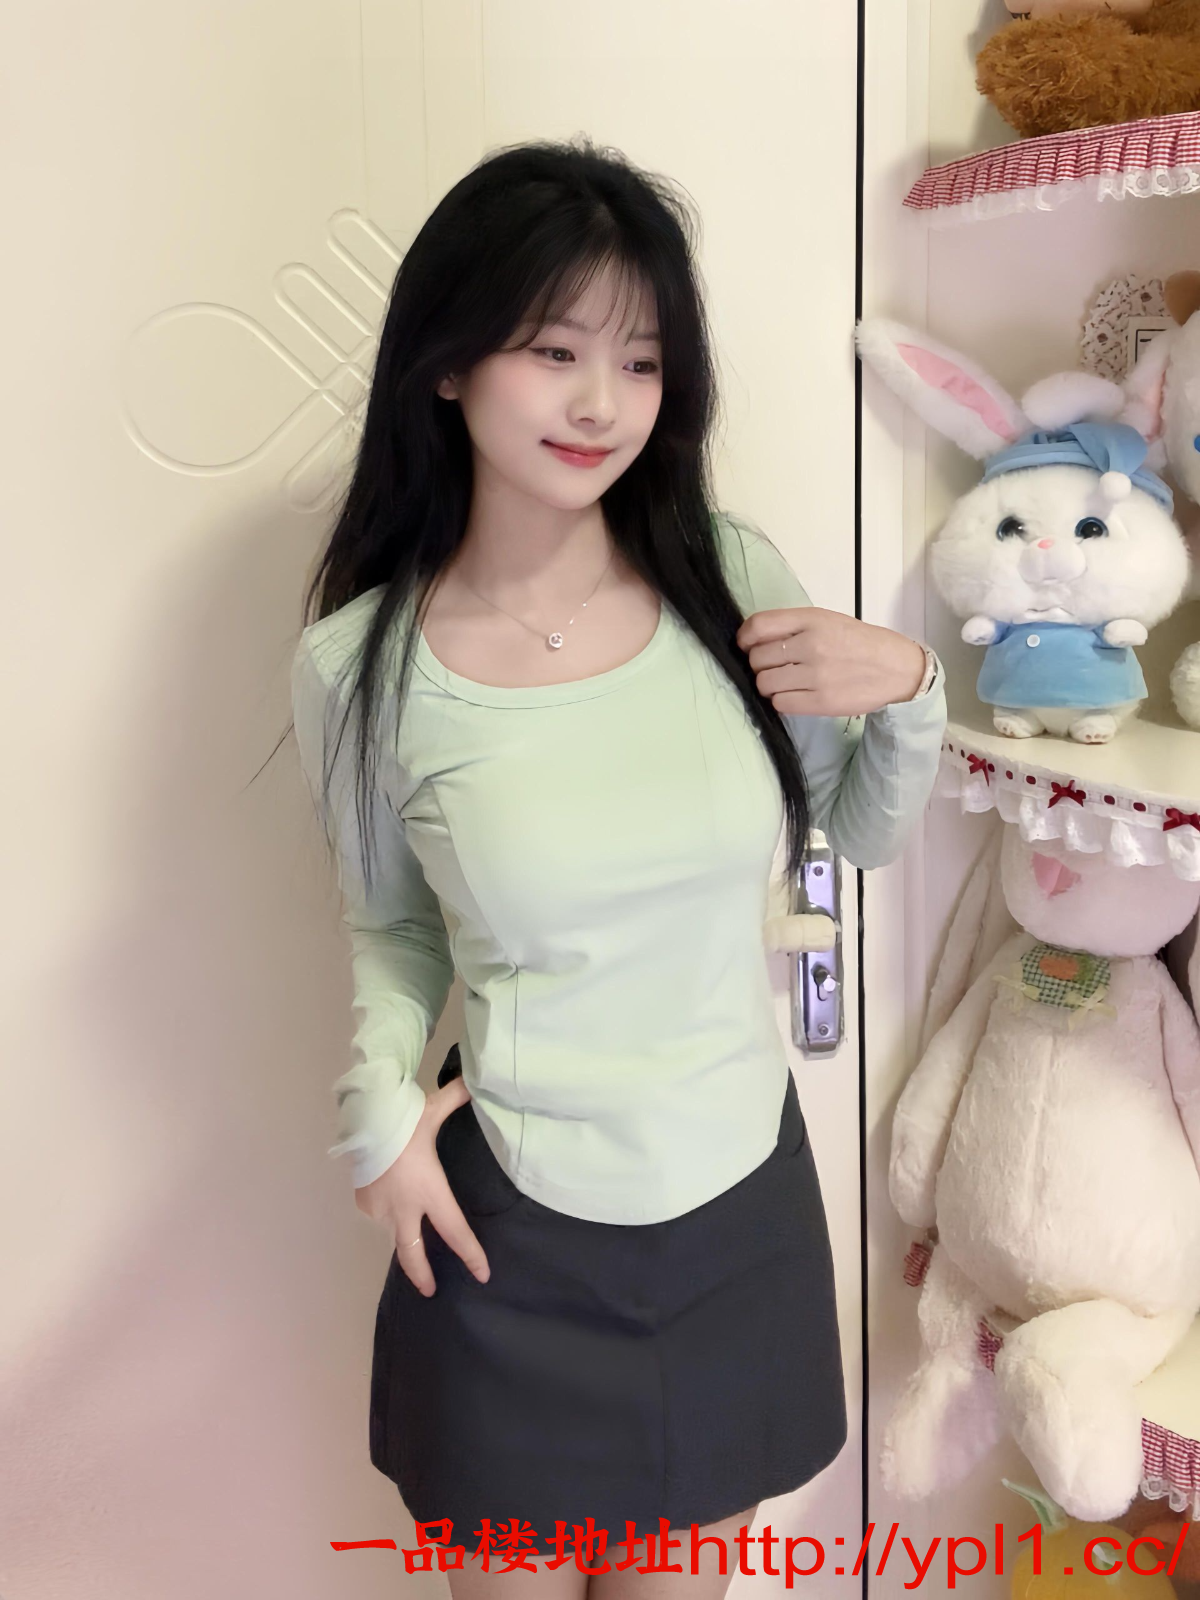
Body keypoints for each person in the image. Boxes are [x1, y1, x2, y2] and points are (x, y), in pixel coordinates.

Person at [289, 135, 946, 1600]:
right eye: (555, 351)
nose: (602, 404)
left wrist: (911, 689)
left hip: (734, 1203)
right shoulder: (359, 666)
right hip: (506, 1235)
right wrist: (376, 1116)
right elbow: (393, 927)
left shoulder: (729, 579)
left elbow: (852, 836)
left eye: (641, 363)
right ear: (448, 364)